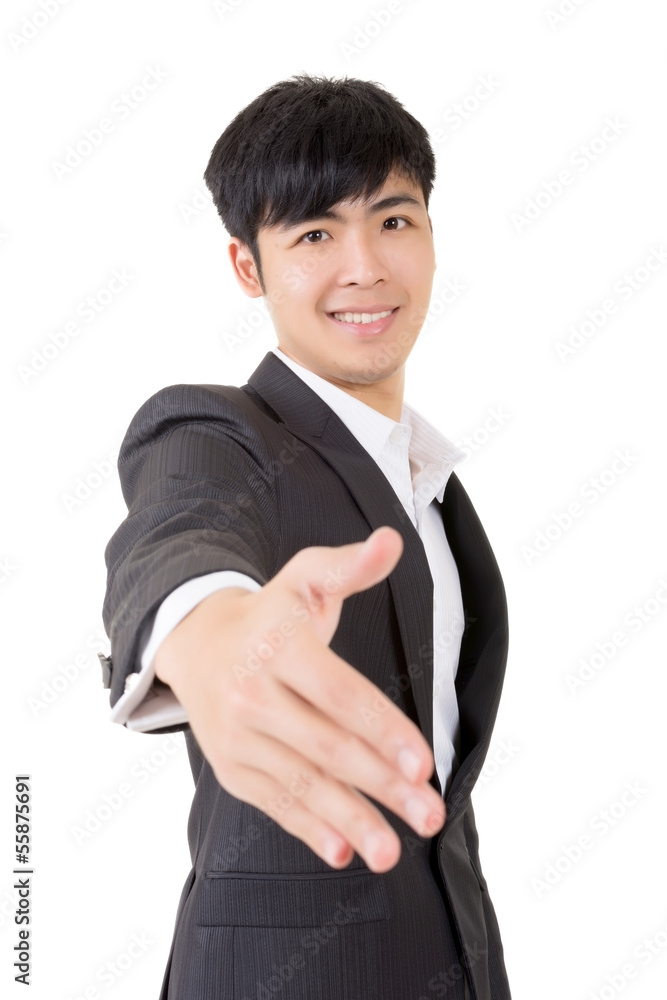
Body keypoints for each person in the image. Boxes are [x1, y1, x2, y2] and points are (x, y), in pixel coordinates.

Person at [101, 74, 512, 1000]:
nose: (363, 267)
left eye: (393, 221)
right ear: (248, 267)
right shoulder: (217, 431)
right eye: (315, 235)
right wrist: (210, 640)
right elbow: (178, 534)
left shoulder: (432, 487)